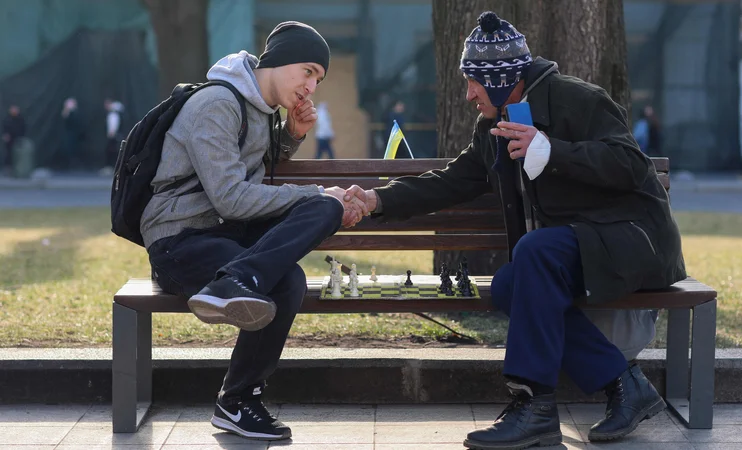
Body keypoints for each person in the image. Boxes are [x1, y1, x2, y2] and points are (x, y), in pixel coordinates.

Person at [346, 11, 685, 448]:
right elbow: (452, 180)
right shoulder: (493, 127)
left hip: (633, 240)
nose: (469, 93)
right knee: (509, 284)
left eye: (475, 81)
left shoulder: (578, 99)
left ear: (503, 78)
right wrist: (378, 199)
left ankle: (535, 406)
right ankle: (626, 385)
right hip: (584, 245)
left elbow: (629, 166)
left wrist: (553, 150)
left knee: (535, 252)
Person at [138, 21, 368, 441]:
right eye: (308, 71)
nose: (311, 86)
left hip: (224, 238)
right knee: (320, 208)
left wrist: (291, 137)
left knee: (297, 265)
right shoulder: (217, 103)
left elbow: (251, 173)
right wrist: (320, 193)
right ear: (279, 62)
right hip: (178, 242)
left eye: (318, 78)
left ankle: (236, 399)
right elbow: (230, 195)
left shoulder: (261, 112)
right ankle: (239, 391)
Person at [101, 99, 125, 175]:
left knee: (112, 152)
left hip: (114, 137)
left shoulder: (114, 114)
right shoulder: (114, 113)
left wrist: (112, 133)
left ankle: (112, 167)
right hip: (114, 136)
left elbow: (114, 124)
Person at [1, 105, 26, 175]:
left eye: (15, 110)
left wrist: (21, 138)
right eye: (12, 110)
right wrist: (5, 135)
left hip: (18, 140)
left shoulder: (21, 119)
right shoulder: (7, 119)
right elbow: (4, 129)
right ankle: (8, 170)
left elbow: (23, 129)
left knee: (19, 155)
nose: (14, 111)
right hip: (9, 140)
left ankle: (19, 170)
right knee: (9, 155)